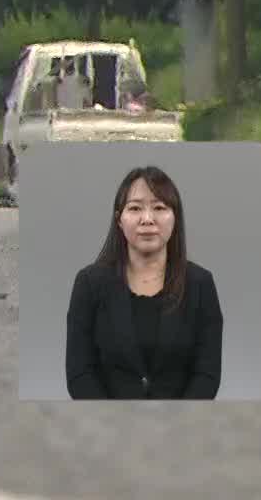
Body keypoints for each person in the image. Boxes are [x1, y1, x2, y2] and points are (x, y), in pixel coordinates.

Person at [65, 165, 223, 399]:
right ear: (119, 220)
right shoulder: (89, 284)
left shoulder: (200, 284)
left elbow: (206, 374)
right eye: (135, 208)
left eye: (159, 207)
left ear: (175, 218)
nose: (147, 219)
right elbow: (80, 373)